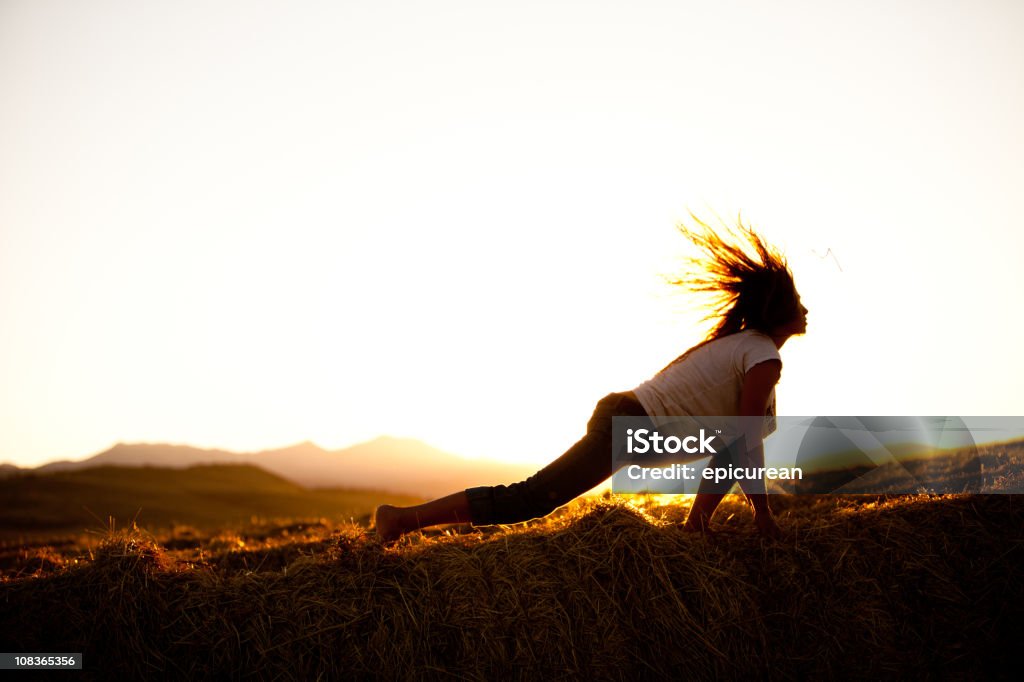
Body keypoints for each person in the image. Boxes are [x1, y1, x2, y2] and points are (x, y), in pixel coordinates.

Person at [374, 215, 808, 542]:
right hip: (632, 425)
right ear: (780, 311)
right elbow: (747, 439)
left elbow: (734, 450)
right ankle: (400, 519)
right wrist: (764, 515)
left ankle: (697, 524)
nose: (805, 309)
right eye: (798, 301)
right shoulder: (761, 354)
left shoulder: (748, 349)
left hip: (633, 424)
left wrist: (699, 520)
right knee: (531, 498)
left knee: (533, 497)